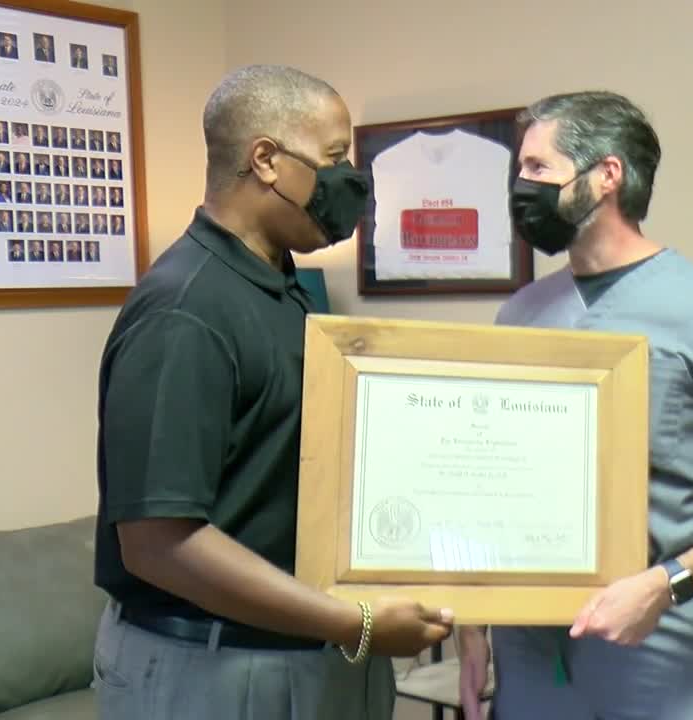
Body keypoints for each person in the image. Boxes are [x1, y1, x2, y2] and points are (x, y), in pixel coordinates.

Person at [92, 64, 454, 720]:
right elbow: (156, 543)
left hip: (315, 653)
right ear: (266, 160)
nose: (350, 180)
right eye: (334, 157)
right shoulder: (186, 309)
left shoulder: (282, 287)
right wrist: (357, 623)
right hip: (216, 668)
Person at [455, 91, 693, 720]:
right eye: (520, 169)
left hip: (660, 646)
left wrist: (667, 584)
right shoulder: (520, 314)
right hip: (532, 651)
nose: (522, 186)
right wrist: (472, 623)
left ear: (607, 175)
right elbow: (494, 478)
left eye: (539, 168)